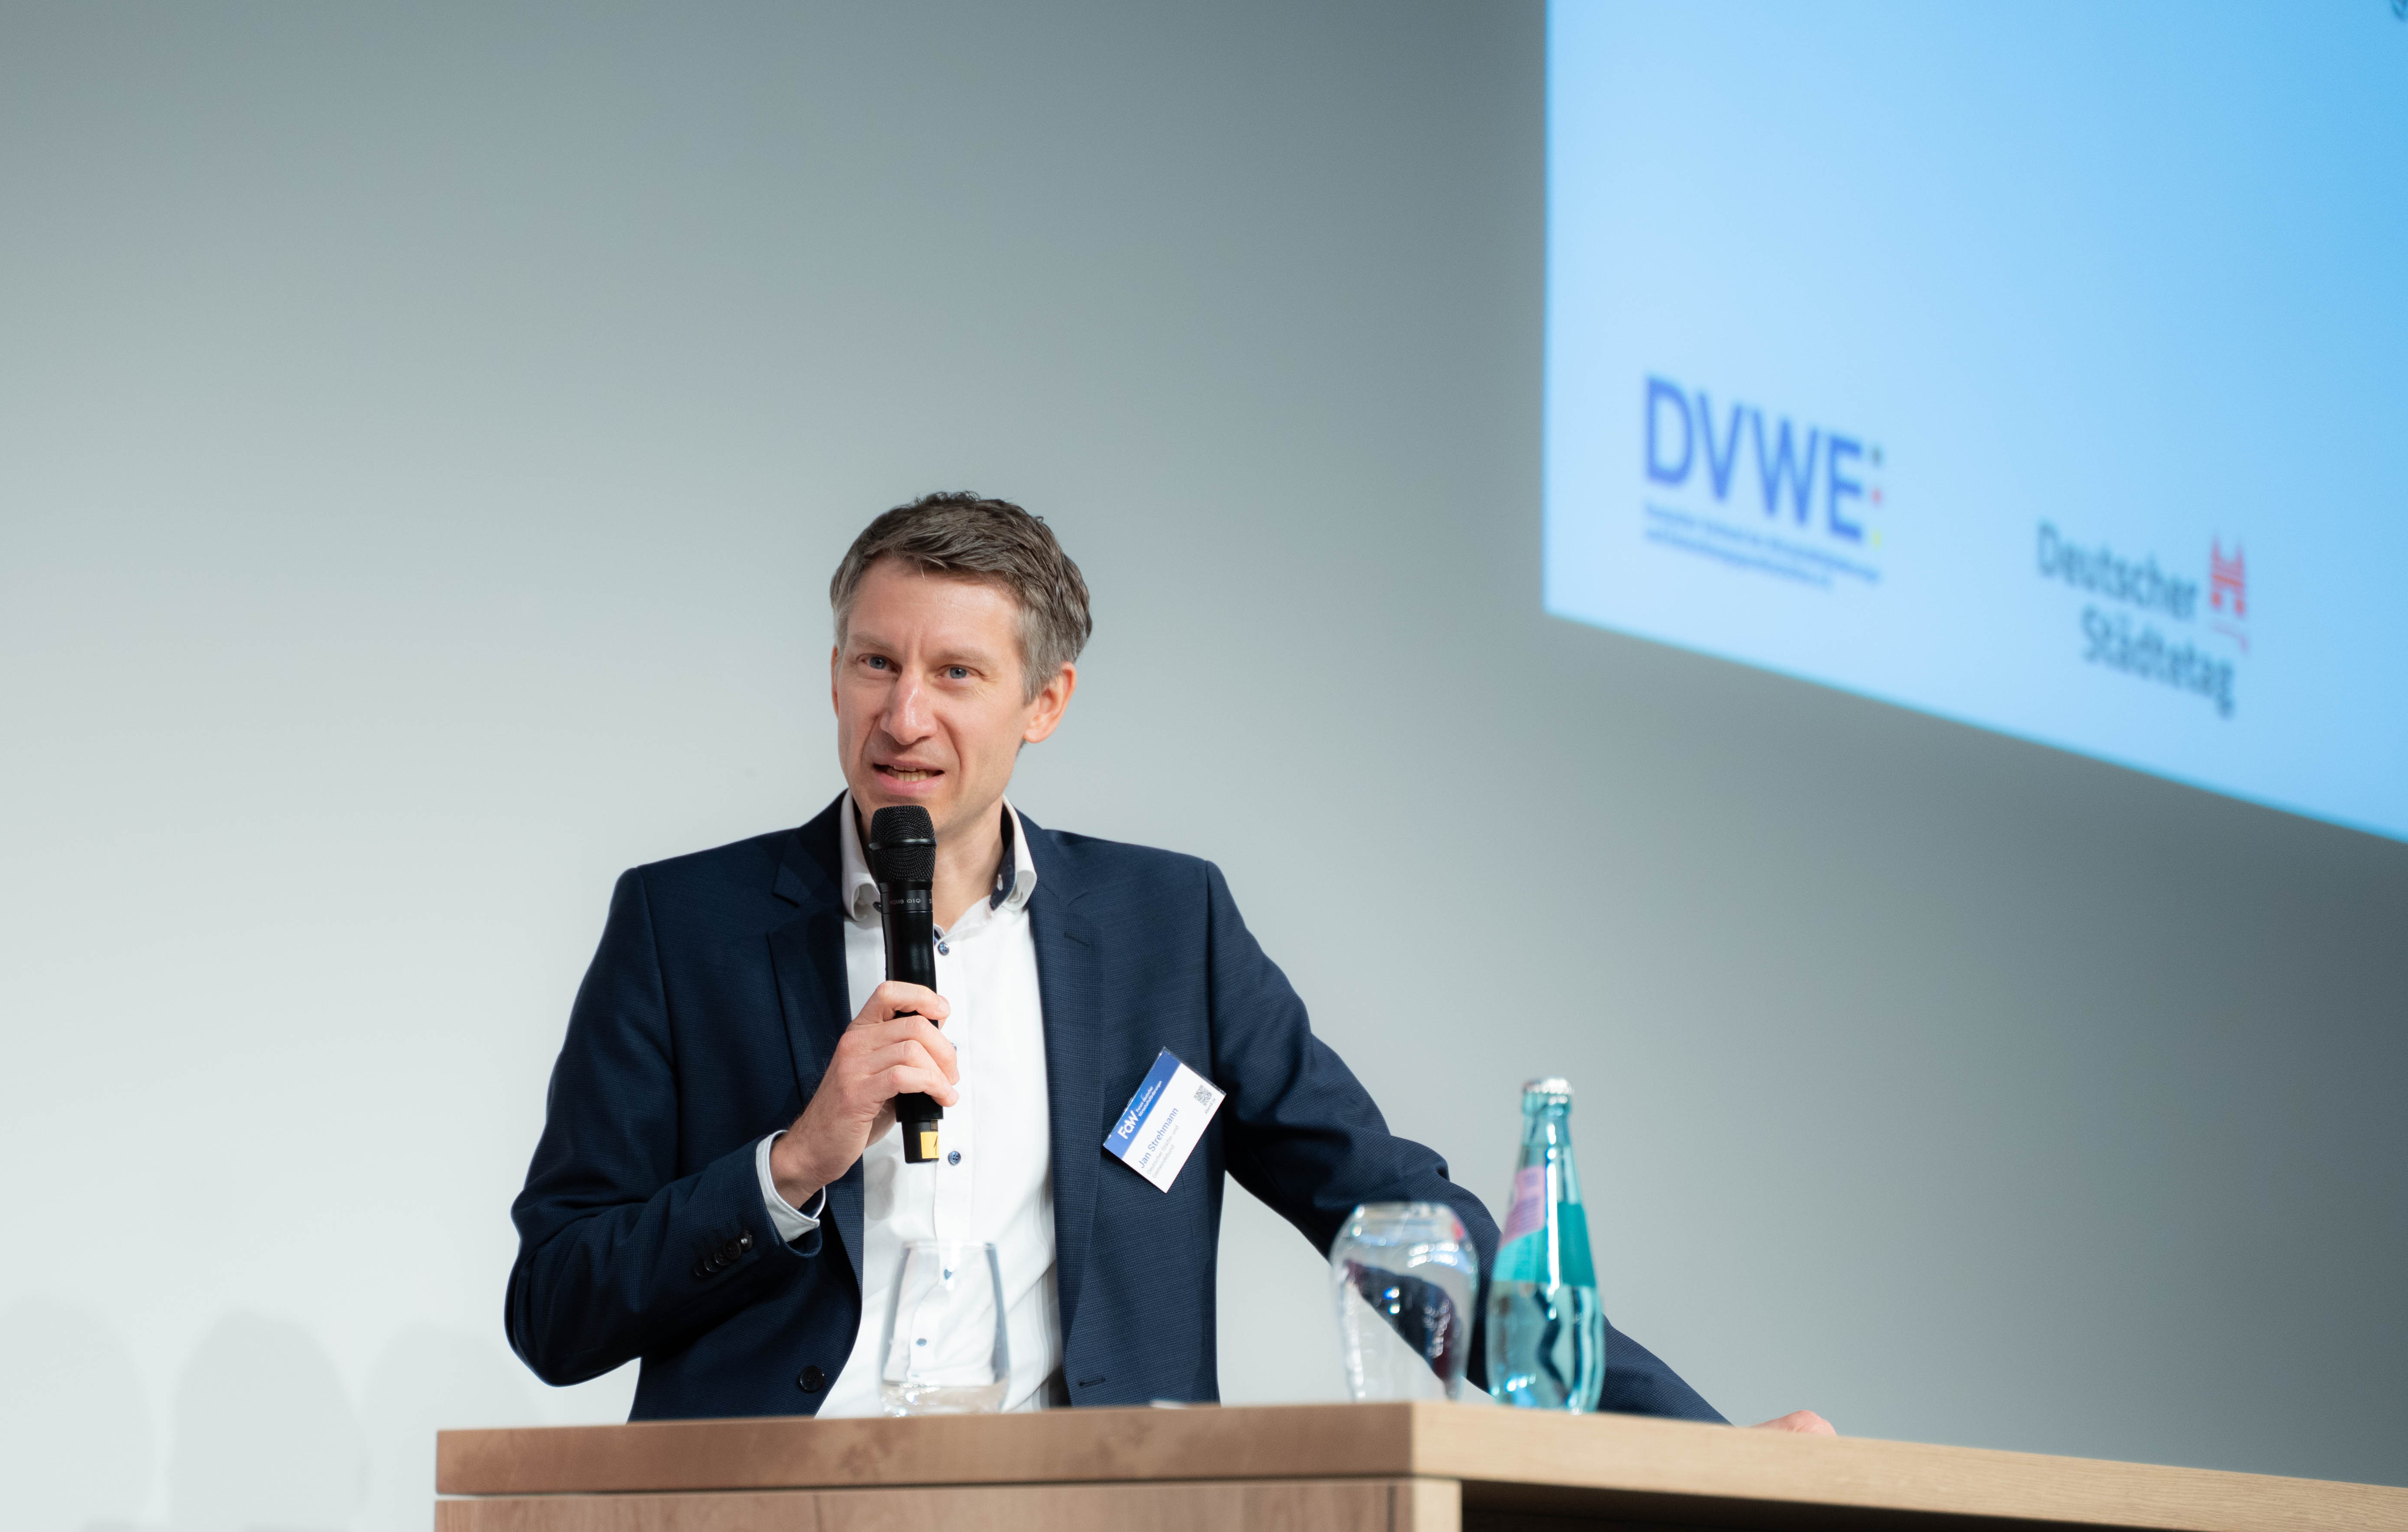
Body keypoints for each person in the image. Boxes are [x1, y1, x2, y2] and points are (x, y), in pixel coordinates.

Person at [507, 492, 1832, 1433]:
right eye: (875, 663)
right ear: (835, 673)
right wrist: (791, 1163)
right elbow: (554, 1310)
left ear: (1044, 703)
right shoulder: (684, 926)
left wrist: (1692, 1443)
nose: (903, 714)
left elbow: (1388, 1214)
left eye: (956, 673)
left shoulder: (1165, 929)